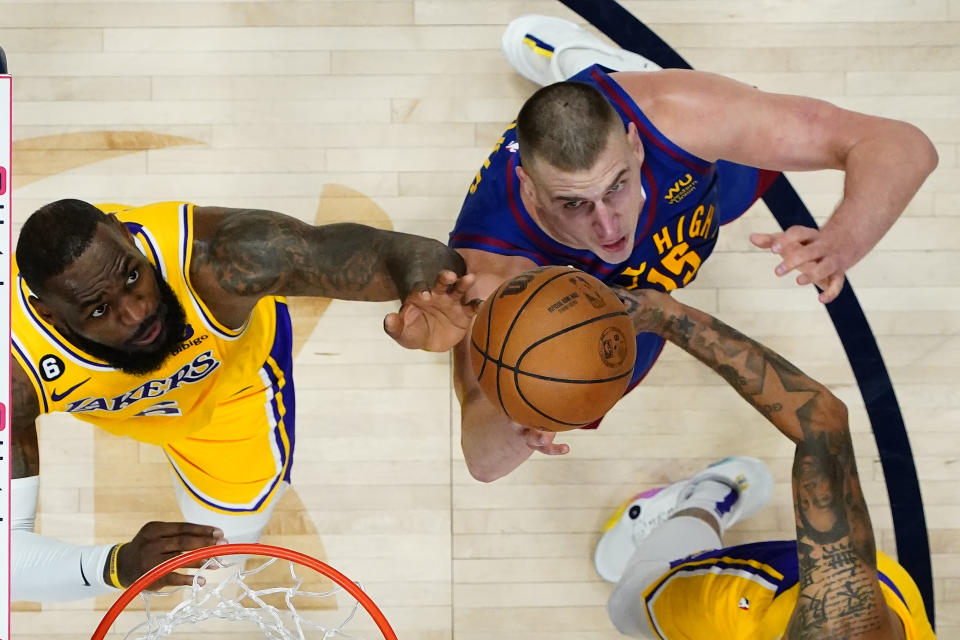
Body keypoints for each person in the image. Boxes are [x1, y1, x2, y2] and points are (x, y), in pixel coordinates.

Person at [410, 15, 938, 482]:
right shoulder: (489, 269)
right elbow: (481, 460)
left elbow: (900, 144)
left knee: (703, 124)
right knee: (576, 371)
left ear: (636, 145)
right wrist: (518, 416)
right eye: (573, 203)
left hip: (684, 186)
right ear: (529, 189)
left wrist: (843, 238)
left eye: (615, 184)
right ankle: (597, 85)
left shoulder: (677, 117)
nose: (606, 225)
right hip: (611, 297)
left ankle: (603, 69)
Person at [11, 199, 476, 601]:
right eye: (98, 310)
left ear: (124, 232)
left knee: (223, 550)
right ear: (48, 314)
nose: (136, 312)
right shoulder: (14, 373)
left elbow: (388, 252)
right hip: (129, 405)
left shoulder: (221, 262)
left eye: (134, 276)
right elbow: (7, 557)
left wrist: (429, 285)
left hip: (234, 389)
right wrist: (117, 565)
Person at [591, 286, 935, 638]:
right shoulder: (842, 621)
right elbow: (820, 420)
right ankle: (709, 495)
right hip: (749, 606)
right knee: (629, 605)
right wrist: (668, 317)